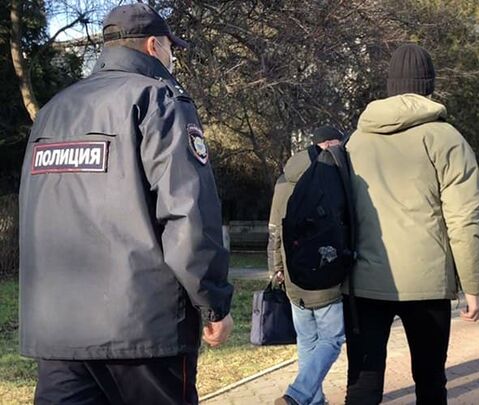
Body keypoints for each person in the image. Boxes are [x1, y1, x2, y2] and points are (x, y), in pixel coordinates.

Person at [18, 4, 234, 404]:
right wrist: (213, 302)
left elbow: (35, 213)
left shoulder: (52, 111)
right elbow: (188, 212)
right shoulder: (159, 99)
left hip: (59, 331)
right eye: (171, 47)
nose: (173, 57)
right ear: (153, 46)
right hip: (145, 332)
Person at [343, 44, 479, 404]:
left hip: (364, 280)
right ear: (429, 85)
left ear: (390, 84)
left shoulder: (356, 141)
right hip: (427, 283)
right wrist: (473, 286)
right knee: (429, 380)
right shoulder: (447, 139)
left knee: (363, 383)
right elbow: (464, 219)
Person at [267, 126, 349, 405]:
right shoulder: (332, 176)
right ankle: (298, 394)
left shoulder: (284, 180)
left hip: (293, 276)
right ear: (329, 144)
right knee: (332, 339)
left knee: (307, 341)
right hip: (325, 272)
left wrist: (276, 267)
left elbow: (275, 230)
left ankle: (314, 401)